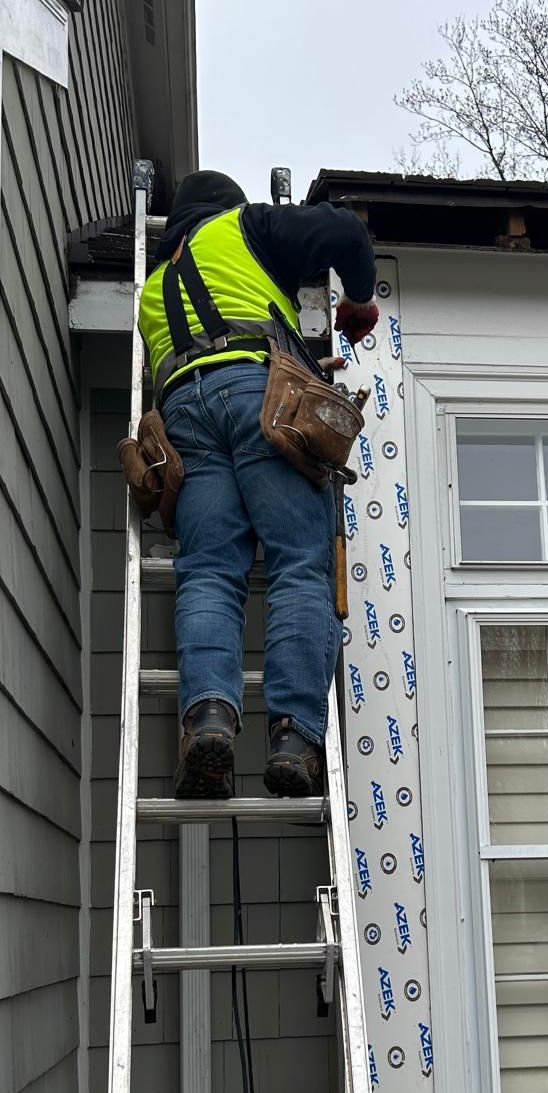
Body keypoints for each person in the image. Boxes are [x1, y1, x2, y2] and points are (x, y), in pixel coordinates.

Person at [137, 169, 379, 800]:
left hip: (184, 418)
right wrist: (355, 299)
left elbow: (213, 343)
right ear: (228, 206)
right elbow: (346, 230)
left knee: (209, 571)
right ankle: (295, 737)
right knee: (301, 564)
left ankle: (210, 721)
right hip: (262, 402)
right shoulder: (247, 226)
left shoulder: (153, 287)